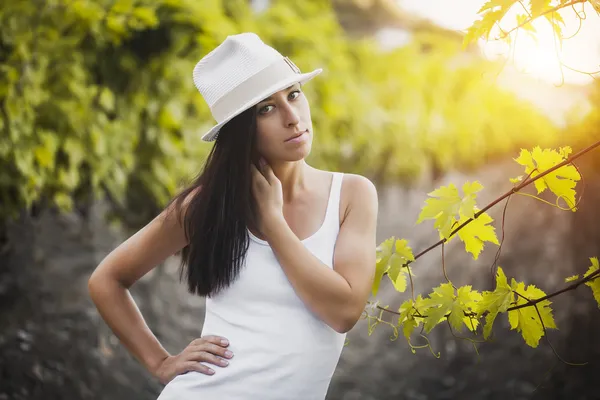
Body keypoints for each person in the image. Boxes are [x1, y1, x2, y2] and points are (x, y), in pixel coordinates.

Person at [88, 32, 378, 400]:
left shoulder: (351, 194)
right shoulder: (208, 205)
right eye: (266, 109)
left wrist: (272, 222)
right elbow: (107, 280)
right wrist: (160, 363)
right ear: (241, 130)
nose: (293, 118)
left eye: (293, 94)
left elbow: (344, 312)